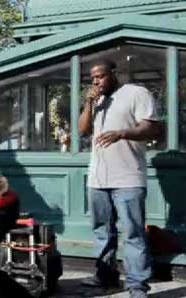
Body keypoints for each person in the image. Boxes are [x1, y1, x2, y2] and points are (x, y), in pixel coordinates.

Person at [78, 61, 160, 298]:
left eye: (100, 76)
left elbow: (151, 128)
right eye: (92, 78)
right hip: (97, 179)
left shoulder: (136, 93)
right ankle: (106, 276)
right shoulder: (98, 100)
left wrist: (122, 133)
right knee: (102, 231)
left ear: (113, 74)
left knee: (133, 233)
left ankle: (137, 286)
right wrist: (89, 103)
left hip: (128, 177)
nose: (96, 82)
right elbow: (83, 131)